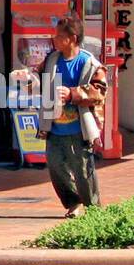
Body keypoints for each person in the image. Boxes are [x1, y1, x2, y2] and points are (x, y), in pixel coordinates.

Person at [36, 15, 106, 218]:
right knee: (56, 167)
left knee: (83, 169)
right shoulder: (52, 59)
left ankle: (93, 210)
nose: (54, 40)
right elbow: (37, 76)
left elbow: (99, 91)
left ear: (73, 38)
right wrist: (28, 80)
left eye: (59, 36)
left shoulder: (89, 63)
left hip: (79, 127)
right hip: (54, 126)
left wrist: (73, 94)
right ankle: (73, 203)